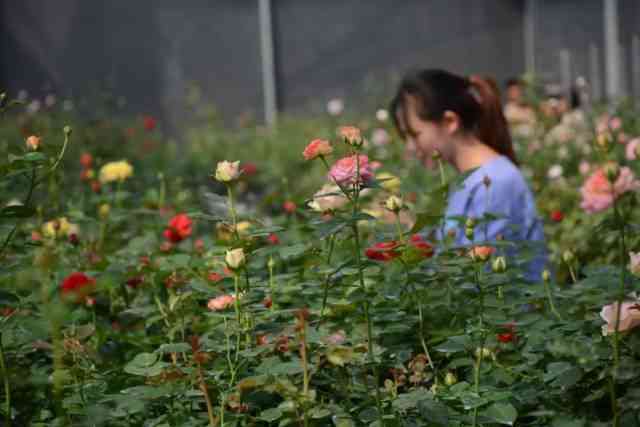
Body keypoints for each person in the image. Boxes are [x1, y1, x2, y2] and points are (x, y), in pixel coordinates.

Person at [390, 69, 547, 281]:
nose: (410, 147)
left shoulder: (494, 183)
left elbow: (480, 280)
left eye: (414, 135)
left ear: (449, 122)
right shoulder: (474, 179)